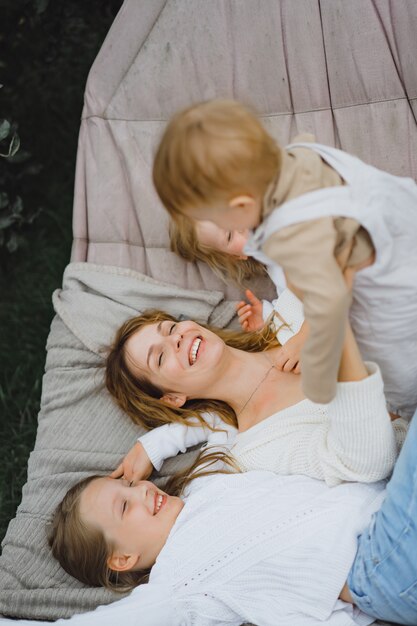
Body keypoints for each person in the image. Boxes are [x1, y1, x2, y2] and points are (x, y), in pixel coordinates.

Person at [12, 406, 417, 626]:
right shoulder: (176, 586)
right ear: (122, 560)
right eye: (125, 507)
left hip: (390, 510)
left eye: (131, 487)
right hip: (377, 562)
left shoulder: (204, 483)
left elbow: (224, 419)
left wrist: (156, 444)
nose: (145, 491)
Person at [152, 99, 417, 418]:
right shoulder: (303, 155)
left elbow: (329, 305)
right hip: (404, 234)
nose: (244, 234)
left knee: (396, 375)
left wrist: (319, 380)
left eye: (232, 227)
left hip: (400, 309)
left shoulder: (291, 236)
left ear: (240, 206)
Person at [105, 275, 407, 488]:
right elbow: (369, 462)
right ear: (172, 397)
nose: (177, 338)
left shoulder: (288, 311)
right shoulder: (257, 448)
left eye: (170, 327)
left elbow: (361, 260)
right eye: (159, 358)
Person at [170, 215, 307, 372]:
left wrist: (306, 335)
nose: (243, 225)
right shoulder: (276, 270)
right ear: (237, 255)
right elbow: (300, 303)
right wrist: (271, 317)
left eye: (237, 211)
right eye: (229, 235)